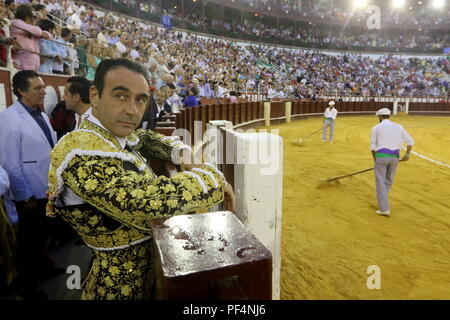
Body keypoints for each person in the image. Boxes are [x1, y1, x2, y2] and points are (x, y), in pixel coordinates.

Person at [46, 58, 235, 300]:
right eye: (121, 96)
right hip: (115, 283)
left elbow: (144, 138)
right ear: (95, 95)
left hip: (142, 270)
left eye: (141, 99)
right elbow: (146, 202)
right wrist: (212, 179)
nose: (133, 110)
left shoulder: (108, 134)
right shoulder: (79, 151)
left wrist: (181, 153)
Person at [0, 70, 58, 300]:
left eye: (43, 86)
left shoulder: (40, 114)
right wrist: (24, 196)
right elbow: (10, 163)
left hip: (45, 186)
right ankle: (27, 287)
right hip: (29, 193)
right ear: (22, 91)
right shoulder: (9, 119)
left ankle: (44, 269)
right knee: (28, 242)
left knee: (41, 235)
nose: (44, 91)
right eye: (37, 88)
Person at [370, 108, 414, 216]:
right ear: (389, 116)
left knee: (380, 182)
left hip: (381, 156)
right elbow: (410, 141)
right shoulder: (399, 127)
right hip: (395, 157)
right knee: (388, 181)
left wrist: (376, 160)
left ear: (380, 117)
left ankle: (384, 209)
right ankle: (383, 200)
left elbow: (372, 147)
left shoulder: (376, 128)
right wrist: (407, 154)